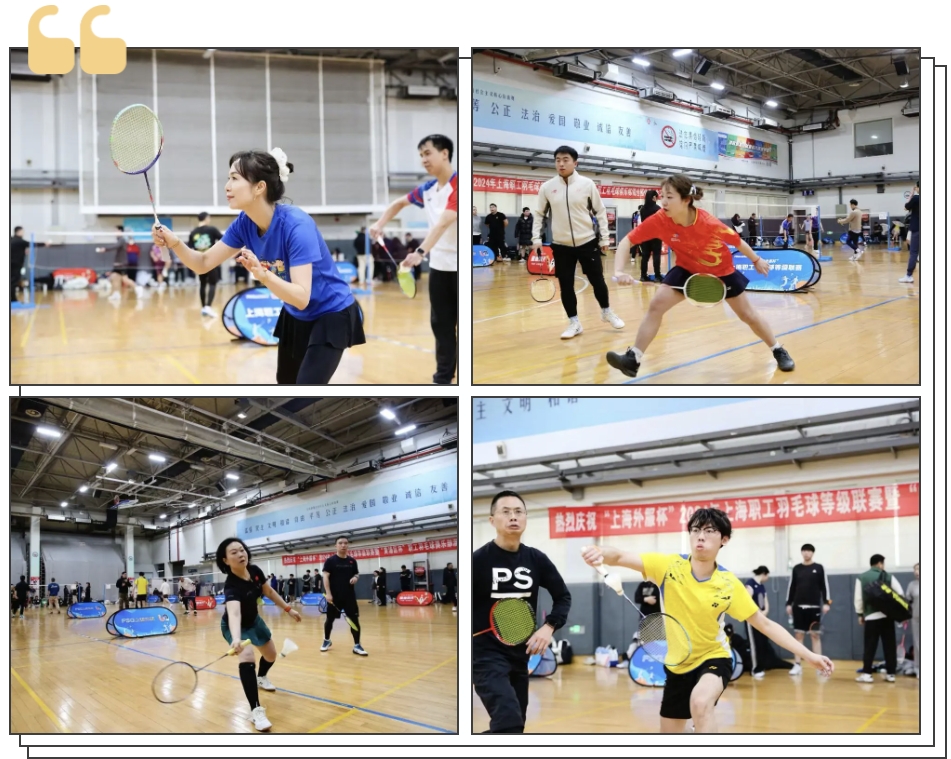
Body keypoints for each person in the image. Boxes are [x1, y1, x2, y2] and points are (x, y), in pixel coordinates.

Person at [582, 508, 833, 734]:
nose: (700, 536)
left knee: (701, 703)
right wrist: (600, 552)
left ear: (724, 539)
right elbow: (620, 556)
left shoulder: (728, 584)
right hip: (677, 664)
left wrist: (809, 655)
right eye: (695, 530)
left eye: (709, 531)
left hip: (714, 658)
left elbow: (765, 624)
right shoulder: (668, 566)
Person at [152, 149, 366, 384]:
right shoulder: (243, 224)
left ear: (259, 187)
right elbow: (203, 263)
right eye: (228, 178)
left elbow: (302, 296)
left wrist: (263, 275)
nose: (227, 186)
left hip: (331, 312)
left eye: (235, 178)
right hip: (296, 314)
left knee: (305, 394)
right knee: (285, 387)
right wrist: (175, 243)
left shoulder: (297, 225)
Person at [606, 174, 795, 377]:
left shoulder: (708, 222)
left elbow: (737, 242)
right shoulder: (660, 220)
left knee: (748, 315)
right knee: (656, 306)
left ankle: (777, 349)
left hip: (721, 271)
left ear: (686, 200)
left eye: (670, 197)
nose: (664, 202)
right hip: (687, 268)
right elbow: (627, 241)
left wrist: (756, 260)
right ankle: (633, 359)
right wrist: (619, 271)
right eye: (662, 196)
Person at [473, 490, 572, 734]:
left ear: (526, 518)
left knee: (516, 728)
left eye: (519, 512)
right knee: (509, 722)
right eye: (505, 512)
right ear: (492, 520)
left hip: (520, 655)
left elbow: (563, 597)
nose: (513, 517)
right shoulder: (477, 561)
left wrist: (549, 627)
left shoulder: (536, 559)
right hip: (485, 656)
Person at [369, 135, 458, 385]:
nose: (423, 160)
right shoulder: (427, 190)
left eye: (427, 153)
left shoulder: (459, 184)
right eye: (421, 155)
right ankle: (443, 379)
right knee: (441, 326)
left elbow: (444, 222)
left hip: (460, 269)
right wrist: (380, 223)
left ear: (444, 153)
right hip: (439, 269)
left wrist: (420, 252)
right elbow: (398, 203)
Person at [531, 146, 624, 339]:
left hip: (587, 242)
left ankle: (606, 311)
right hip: (561, 245)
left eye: (565, 160)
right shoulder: (547, 188)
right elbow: (539, 214)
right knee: (566, 285)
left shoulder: (587, 184)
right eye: (557, 160)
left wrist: (604, 237)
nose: (561, 163)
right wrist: (536, 239)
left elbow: (600, 211)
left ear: (575, 163)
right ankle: (574, 322)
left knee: (598, 281)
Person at [217, 537, 302, 731]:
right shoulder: (231, 586)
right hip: (235, 626)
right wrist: (236, 638)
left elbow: (269, 592)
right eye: (234, 552)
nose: (241, 554)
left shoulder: (255, 571)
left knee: (271, 655)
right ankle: (256, 710)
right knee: (247, 657)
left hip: (254, 621)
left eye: (242, 550)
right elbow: (234, 613)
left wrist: (288, 609)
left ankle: (261, 677)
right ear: (225, 560)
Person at [854, 554, 904, 683]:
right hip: (887, 617)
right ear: (880, 564)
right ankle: (891, 674)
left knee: (869, 646)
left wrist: (860, 614)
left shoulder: (862, 577)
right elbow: (900, 593)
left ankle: (867, 674)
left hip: (871, 617)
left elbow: (858, 599)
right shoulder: (888, 576)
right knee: (889, 646)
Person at [785, 543, 831, 675]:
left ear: (812, 553)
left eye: (809, 551)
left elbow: (824, 586)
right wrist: (789, 603)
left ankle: (820, 666)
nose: (806, 553)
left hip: (814, 608)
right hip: (798, 607)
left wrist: (826, 602)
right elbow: (791, 587)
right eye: (804, 551)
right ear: (801, 553)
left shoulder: (819, 568)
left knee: (815, 636)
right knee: (798, 636)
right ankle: (797, 665)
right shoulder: (797, 569)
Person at [743, 566, 792, 678]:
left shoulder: (761, 586)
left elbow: (765, 602)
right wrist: (757, 613)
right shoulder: (750, 584)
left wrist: (764, 613)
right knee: (754, 644)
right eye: (768, 575)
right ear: (764, 573)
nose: (768, 578)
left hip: (761, 619)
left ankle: (762, 665)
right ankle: (755, 669)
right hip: (751, 619)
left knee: (761, 643)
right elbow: (747, 600)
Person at [321, 537, 367, 655]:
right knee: (329, 620)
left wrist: (355, 577)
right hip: (334, 597)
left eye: (345, 543)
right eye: (340, 543)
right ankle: (326, 640)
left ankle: (357, 645)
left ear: (348, 545)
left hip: (349, 596)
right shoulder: (330, 561)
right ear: (336, 546)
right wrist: (328, 593)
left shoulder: (352, 561)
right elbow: (325, 577)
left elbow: (356, 574)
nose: (343, 545)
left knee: (354, 620)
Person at [185, 212, 224, 316]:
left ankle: (203, 308)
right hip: (211, 260)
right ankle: (208, 307)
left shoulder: (193, 232)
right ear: (206, 218)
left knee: (202, 284)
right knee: (212, 283)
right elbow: (224, 240)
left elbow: (190, 248)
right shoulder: (212, 229)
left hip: (199, 261)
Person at [98, 226, 145, 301]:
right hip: (118, 264)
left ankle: (138, 288)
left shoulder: (122, 240)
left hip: (121, 265)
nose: (114, 233)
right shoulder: (119, 240)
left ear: (120, 231)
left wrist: (105, 249)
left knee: (125, 279)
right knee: (114, 278)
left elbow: (115, 246)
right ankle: (116, 294)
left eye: (116, 231)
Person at [637, 190, 663, 283]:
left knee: (645, 256)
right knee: (656, 255)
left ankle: (643, 276)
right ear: (654, 197)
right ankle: (657, 276)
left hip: (645, 235)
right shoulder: (658, 209)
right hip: (656, 235)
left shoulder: (642, 209)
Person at [899, 184, 920, 284]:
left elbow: (906, 207)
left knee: (913, 253)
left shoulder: (916, 198)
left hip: (917, 229)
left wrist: (912, 194)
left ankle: (909, 275)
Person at [905, 562, 920, 678]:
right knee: (917, 643)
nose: (916, 572)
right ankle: (918, 667)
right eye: (915, 569)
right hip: (916, 618)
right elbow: (908, 602)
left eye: (919, 569)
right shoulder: (911, 585)